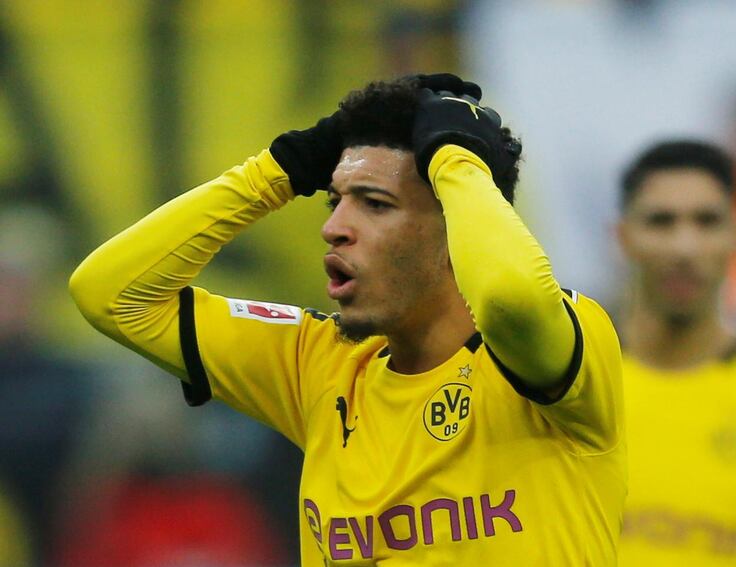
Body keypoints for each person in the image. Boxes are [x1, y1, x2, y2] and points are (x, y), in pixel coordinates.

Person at [70, 73, 625, 564]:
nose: (334, 227)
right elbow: (111, 295)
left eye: (375, 203)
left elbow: (511, 297)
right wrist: (276, 171)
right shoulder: (317, 363)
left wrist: (457, 157)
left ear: (461, 226)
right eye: (334, 200)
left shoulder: (552, 352)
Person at [615, 139, 736, 566]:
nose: (684, 248)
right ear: (623, 236)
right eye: (661, 222)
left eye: (707, 221)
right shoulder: (566, 394)